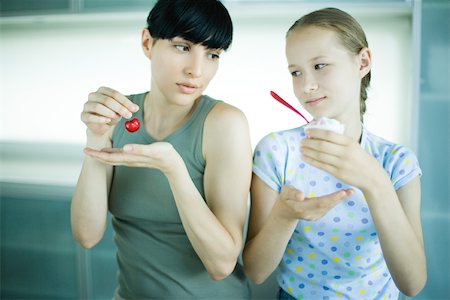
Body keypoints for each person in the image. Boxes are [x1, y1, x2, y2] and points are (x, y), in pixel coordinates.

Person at [70, 0, 252, 299]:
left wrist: (174, 169)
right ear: (147, 42)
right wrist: (96, 138)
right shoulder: (118, 114)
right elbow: (86, 236)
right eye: (183, 47)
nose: (197, 70)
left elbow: (221, 264)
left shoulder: (224, 124)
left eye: (212, 54)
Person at [243, 7, 426, 300]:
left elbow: (413, 283)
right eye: (296, 72)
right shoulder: (277, 152)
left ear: (363, 62)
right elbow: (255, 271)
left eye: (320, 66)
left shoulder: (397, 162)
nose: (306, 85)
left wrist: (376, 183)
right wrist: (284, 215)